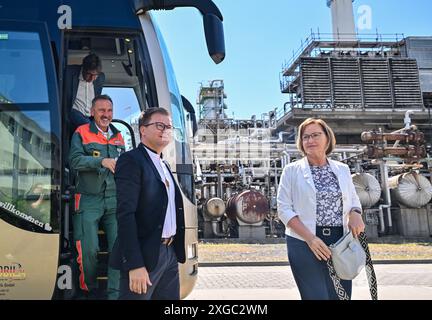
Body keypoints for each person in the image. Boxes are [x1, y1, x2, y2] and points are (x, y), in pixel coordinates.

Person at [277, 118, 365, 300]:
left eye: (315, 135)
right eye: (305, 137)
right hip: (304, 242)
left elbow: (353, 199)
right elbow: (283, 209)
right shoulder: (291, 170)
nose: (310, 140)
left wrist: (356, 213)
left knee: (341, 296)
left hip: (339, 241)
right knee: (315, 296)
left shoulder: (342, 169)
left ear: (327, 138)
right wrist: (310, 239)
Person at [109, 107, 186, 300]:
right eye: (159, 125)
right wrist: (135, 264)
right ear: (142, 130)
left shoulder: (164, 164)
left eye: (169, 127)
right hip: (145, 255)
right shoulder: (131, 160)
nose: (165, 130)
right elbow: (125, 215)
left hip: (169, 253)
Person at [69, 94, 125, 299]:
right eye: (101, 110)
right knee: (89, 250)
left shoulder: (119, 136)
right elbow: (73, 161)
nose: (106, 115)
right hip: (87, 198)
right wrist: (101, 161)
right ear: (92, 112)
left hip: (114, 199)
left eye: (109, 111)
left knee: (119, 249)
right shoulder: (81, 132)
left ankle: (115, 294)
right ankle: (89, 290)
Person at [66, 53, 105, 129]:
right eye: (89, 74)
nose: (92, 78)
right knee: (91, 128)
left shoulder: (100, 78)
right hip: (73, 112)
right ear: (83, 68)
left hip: (89, 116)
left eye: (95, 75)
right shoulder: (69, 73)